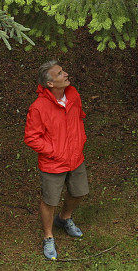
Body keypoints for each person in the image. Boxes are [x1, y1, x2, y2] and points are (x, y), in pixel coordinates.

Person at [24, 60, 89, 260]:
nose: (66, 74)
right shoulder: (38, 108)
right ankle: (48, 237)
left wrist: (80, 140)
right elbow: (31, 138)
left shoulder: (73, 95)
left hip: (76, 158)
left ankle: (64, 218)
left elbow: (79, 117)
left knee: (79, 193)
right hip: (53, 163)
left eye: (63, 71)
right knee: (49, 201)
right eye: (60, 73)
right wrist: (54, 151)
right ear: (50, 83)